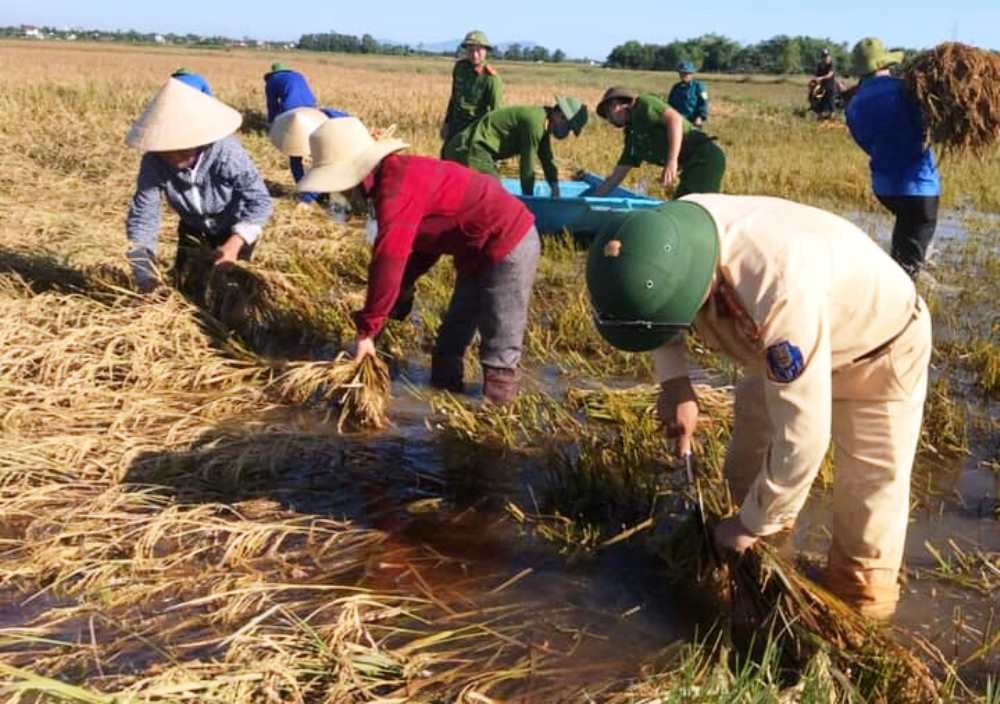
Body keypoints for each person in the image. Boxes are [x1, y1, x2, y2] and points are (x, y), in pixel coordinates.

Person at [585, 195, 931, 620]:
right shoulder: (671, 236)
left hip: (879, 351)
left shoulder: (779, 287)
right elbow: (659, 311)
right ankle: (761, 576)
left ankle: (862, 623)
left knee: (868, 507)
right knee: (745, 474)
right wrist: (675, 386)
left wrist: (748, 526)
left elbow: (804, 437)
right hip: (774, 340)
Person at [297, 117, 540, 403]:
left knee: (500, 337)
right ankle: (443, 398)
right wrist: (403, 288)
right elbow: (427, 242)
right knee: (454, 331)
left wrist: (367, 330)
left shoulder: (396, 188)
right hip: (473, 249)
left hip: (510, 239)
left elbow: (389, 257)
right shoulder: (391, 179)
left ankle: (497, 421)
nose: (342, 194)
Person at [125, 78, 273, 294]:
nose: (173, 158)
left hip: (233, 225)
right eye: (166, 151)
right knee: (187, 283)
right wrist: (143, 270)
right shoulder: (153, 161)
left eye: (181, 149)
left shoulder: (226, 153)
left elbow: (259, 201)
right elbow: (144, 213)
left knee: (231, 289)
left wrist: (234, 243)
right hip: (192, 226)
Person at [846, 38, 940, 280]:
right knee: (908, 269)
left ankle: (895, 278)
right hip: (919, 188)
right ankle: (905, 301)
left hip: (885, 188)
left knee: (906, 240)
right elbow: (931, 124)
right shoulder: (907, 90)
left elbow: (864, 141)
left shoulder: (854, 104)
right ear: (885, 62)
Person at [590, 87, 725, 199]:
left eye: (608, 114)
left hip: (705, 158)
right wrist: (591, 200)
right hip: (690, 166)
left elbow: (675, 119)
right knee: (681, 207)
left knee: (693, 210)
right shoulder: (633, 137)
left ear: (616, 106)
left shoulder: (643, 104)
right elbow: (615, 178)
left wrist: (672, 161)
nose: (609, 120)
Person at [441, 97, 588, 197]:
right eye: (568, 127)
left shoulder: (542, 122)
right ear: (559, 115)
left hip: (472, 149)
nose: (566, 132)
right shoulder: (534, 122)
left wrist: (555, 188)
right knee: (494, 192)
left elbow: (546, 158)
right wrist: (530, 202)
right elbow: (527, 165)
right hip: (470, 148)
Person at [264, 63, 327, 202]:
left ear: (272, 73)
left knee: (295, 151)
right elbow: (310, 96)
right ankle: (318, 189)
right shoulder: (298, 76)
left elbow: (272, 105)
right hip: (311, 110)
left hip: (292, 113)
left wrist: (273, 124)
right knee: (316, 151)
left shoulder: (272, 82)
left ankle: (306, 192)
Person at [268, 106, 350, 204]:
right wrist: (301, 187)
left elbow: (326, 171)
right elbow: (295, 162)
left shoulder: (336, 128)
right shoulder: (296, 125)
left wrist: (306, 200)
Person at [440, 31, 503, 149]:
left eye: (478, 50)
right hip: (456, 124)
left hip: (475, 127)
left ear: (485, 51)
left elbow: (496, 111)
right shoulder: (460, 69)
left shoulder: (491, 78)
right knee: (446, 158)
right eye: (470, 50)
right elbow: (454, 98)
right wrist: (447, 123)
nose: (474, 55)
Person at [667, 61, 709, 127]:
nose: (683, 75)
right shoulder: (675, 87)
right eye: (681, 73)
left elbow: (704, 103)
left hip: (692, 123)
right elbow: (670, 104)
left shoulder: (699, 86)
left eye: (686, 73)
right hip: (677, 122)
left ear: (691, 74)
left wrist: (700, 117)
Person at [809, 49, 839, 119]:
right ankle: (819, 114)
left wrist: (821, 78)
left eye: (826, 56)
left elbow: (830, 74)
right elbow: (816, 74)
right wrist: (814, 79)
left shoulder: (831, 64)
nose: (824, 58)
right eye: (823, 56)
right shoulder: (820, 65)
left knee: (830, 102)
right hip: (822, 86)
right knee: (817, 98)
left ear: (829, 56)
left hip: (830, 86)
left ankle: (832, 115)